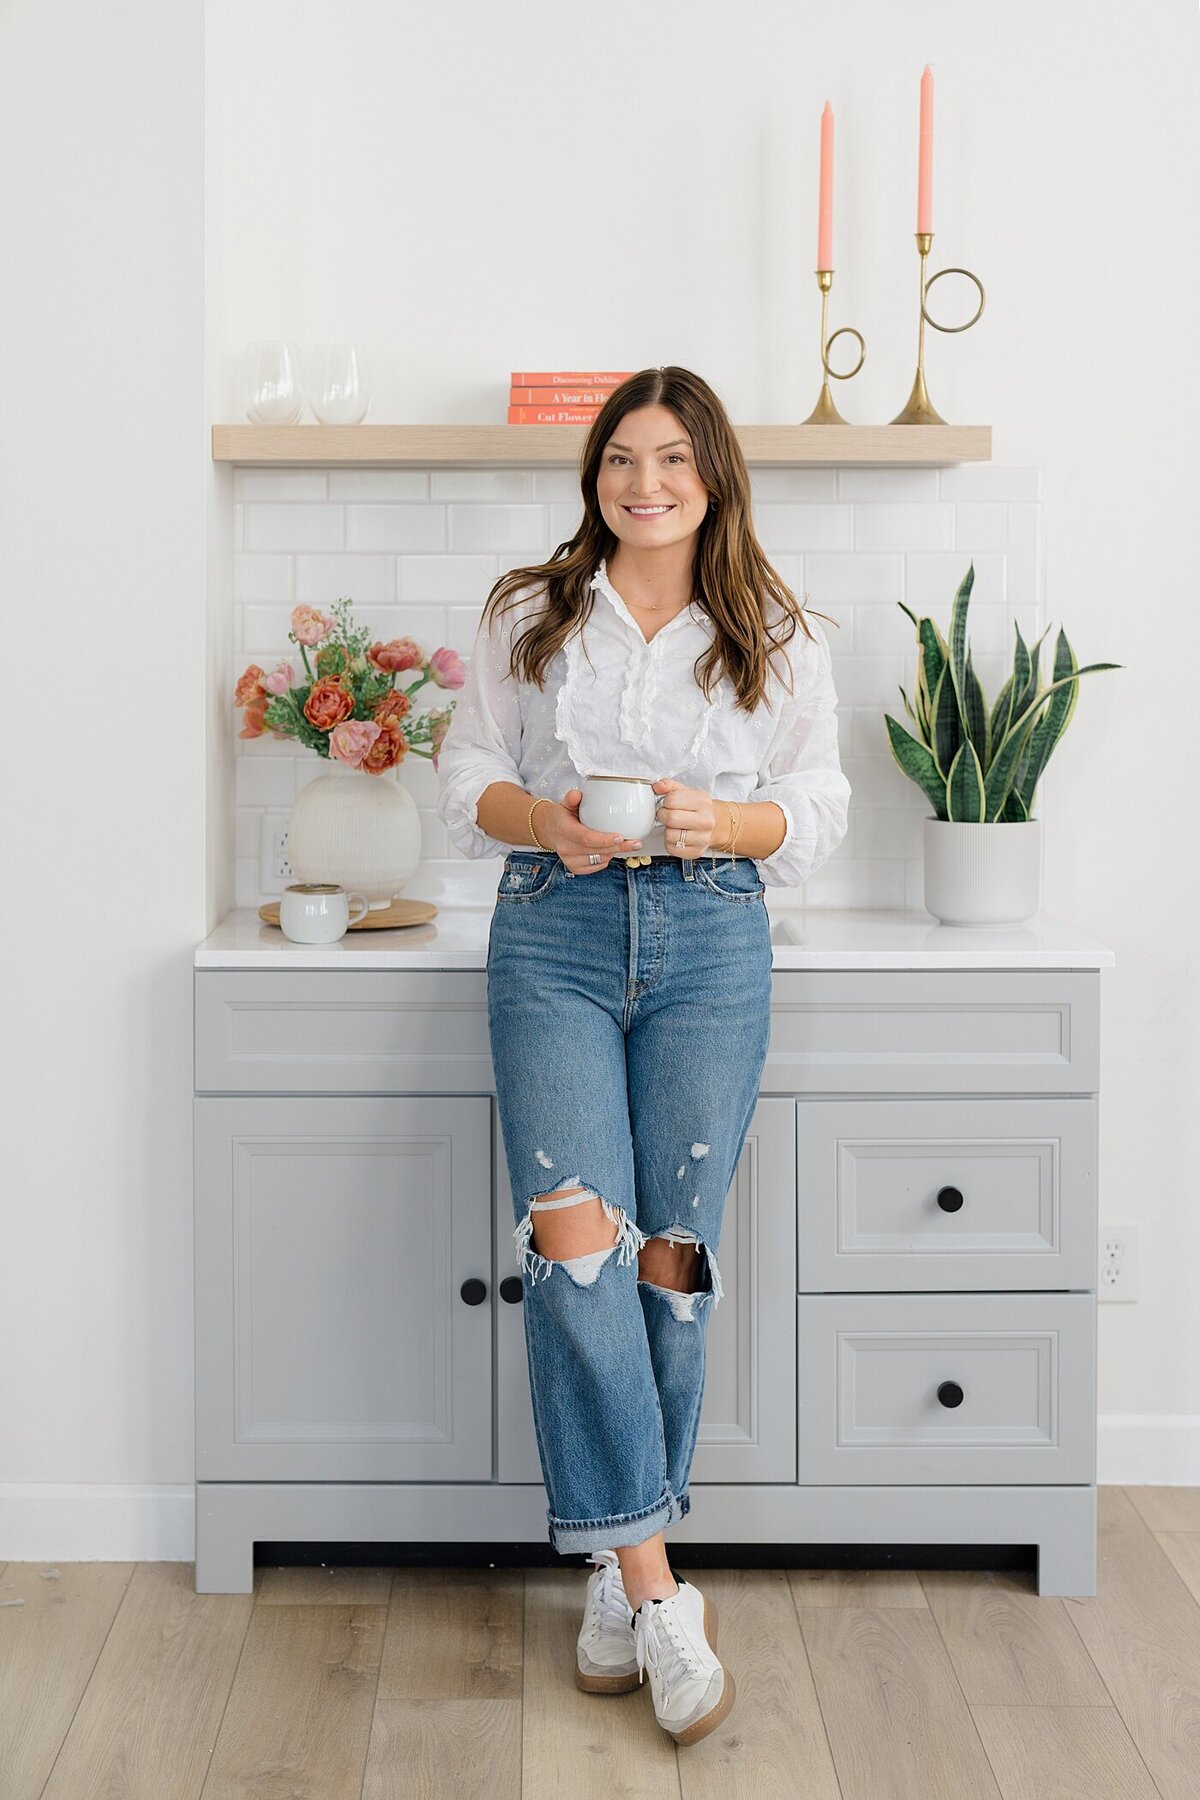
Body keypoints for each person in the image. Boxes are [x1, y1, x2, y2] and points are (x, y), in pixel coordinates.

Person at [435, 365, 851, 1745]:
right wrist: (544, 819)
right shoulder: (531, 610)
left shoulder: (773, 627)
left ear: (714, 474)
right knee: (574, 1249)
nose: (646, 482)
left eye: (674, 458)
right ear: (595, 473)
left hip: (714, 941)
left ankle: (614, 1570)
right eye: (623, 457)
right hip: (552, 932)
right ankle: (663, 1587)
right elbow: (464, 777)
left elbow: (820, 805)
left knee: (671, 1258)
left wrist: (724, 829)